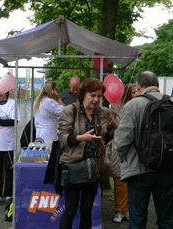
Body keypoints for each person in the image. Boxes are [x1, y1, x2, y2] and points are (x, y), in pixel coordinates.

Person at [114, 71, 173, 229]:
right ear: (156, 84)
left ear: (138, 86)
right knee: (167, 219)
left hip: (139, 170)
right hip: (168, 168)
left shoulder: (133, 105)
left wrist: (123, 159)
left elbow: (122, 140)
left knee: (137, 218)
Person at [58, 78, 117, 229]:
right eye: (92, 95)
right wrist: (80, 138)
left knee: (87, 210)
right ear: (83, 94)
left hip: (93, 168)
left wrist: (102, 142)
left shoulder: (104, 112)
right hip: (73, 166)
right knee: (70, 210)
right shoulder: (70, 110)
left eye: (99, 96)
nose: (96, 99)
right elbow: (62, 138)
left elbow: (113, 128)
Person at [105, 83, 137, 223]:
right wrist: (108, 149)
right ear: (128, 93)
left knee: (132, 181)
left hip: (134, 148)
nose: (137, 94)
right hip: (117, 146)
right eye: (134, 92)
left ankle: (128, 209)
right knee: (119, 180)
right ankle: (119, 209)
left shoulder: (140, 106)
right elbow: (109, 130)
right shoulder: (115, 108)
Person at [0, 82, 20, 203]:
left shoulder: (12, 104)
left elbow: (13, 122)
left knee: (9, 168)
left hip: (8, 142)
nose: (0, 93)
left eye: (2, 91)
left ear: (7, 91)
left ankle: (8, 193)